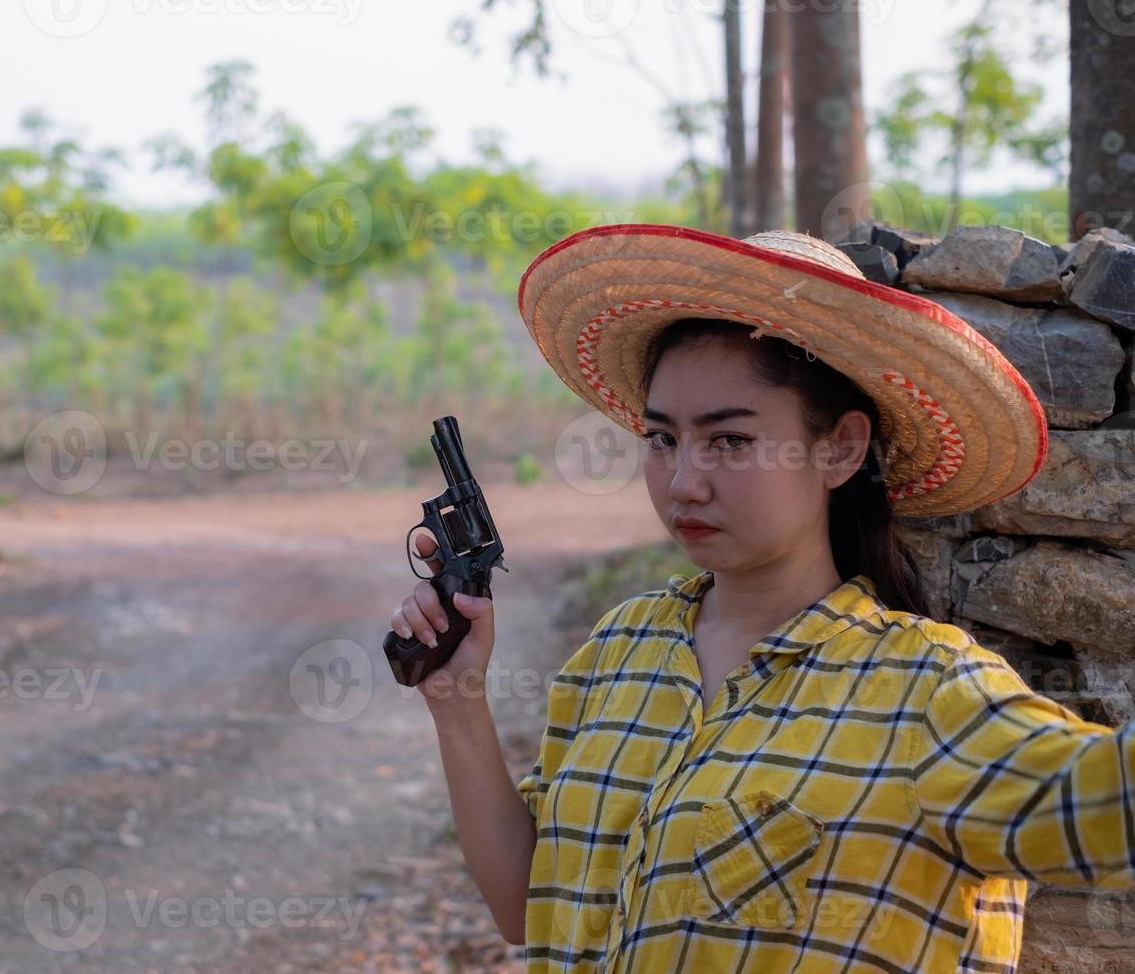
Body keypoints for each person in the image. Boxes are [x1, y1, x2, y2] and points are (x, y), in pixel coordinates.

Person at [388, 224, 1134, 972]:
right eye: (662, 439)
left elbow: (1103, 808)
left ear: (839, 448)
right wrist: (457, 701)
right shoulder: (618, 651)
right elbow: (525, 905)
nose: (683, 483)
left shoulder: (929, 694)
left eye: (731, 441)